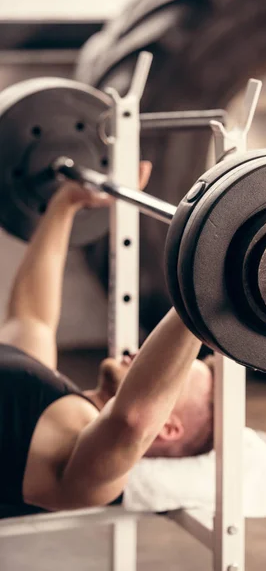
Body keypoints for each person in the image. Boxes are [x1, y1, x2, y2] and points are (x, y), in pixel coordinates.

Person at [0, 162, 213, 515]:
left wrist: (206, 284)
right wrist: (67, 203)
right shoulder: (44, 393)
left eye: (177, 374)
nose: (143, 354)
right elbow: (31, 315)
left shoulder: (85, 474)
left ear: (169, 427)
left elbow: (134, 419)